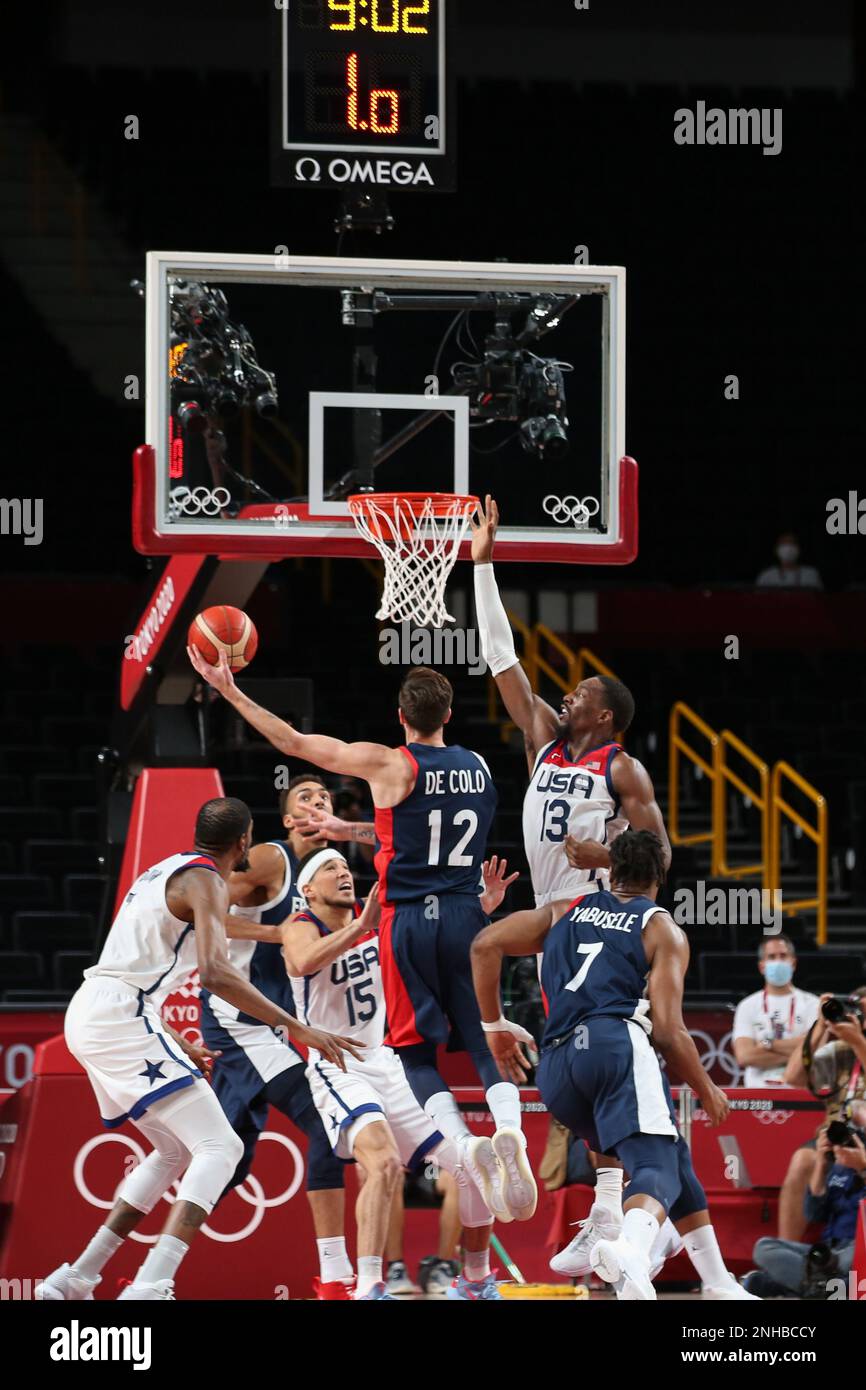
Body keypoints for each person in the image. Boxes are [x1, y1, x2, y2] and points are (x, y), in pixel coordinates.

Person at [188, 643, 534, 1295]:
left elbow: (292, 740)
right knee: (478, 1047)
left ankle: (454, 1235)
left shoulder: (385, 765)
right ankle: (494, 1145)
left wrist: (228, 690)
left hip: (409, 924)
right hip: (456, 920)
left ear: (398, 716)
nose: (342, 872)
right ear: (450, 713)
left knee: (421, 1061)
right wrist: (354, 833)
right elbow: (415, 832)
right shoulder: (483, 767)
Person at [39, 797, 358, 1302]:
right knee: (223, 1147)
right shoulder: (207, 879)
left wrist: (175, 1037)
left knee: (172, 1150)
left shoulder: (164, 868)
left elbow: (141, 963)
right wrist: (297, 1026)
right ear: (244, 842)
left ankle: (77, 1275)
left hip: (98, 1011)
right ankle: (151, 1283)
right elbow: (215, 971)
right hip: (123, 1013)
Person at [471, 494, 673, 1272]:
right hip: (551, 908)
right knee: (562, 1052)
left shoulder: (620, 766)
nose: (569, 693)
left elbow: (658, 852)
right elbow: (501, 660)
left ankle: (610, 1207)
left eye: (583, 691)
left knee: (583, 1046)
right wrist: (484, 564)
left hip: (591, 912)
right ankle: (601, 1209)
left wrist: (611, 861)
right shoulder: (545, 745)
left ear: (606, 715)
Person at [470, 829, 758, 1301]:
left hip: (557, 1067)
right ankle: (629, 1247)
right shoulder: (660, 926)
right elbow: (668, 1030)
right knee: (658, 1164)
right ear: (659, 875)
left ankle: (717, 1281)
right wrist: (707, 1086)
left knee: (672, 1156)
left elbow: (484, 945)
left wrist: (494, 1024)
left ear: (609, 869)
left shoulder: (568, 908)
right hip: (612, 1043)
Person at [282, 848, 503, 1300]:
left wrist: (478, 911)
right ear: (307, 890)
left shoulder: (382, 918)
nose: (343, 873)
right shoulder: (302, 925)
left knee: (473, 1163)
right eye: (330, 868)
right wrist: (362, 927)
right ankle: (369, 1286)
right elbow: (302, 963)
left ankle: (476, 1279)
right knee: (382, 1164)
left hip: (386, 1060)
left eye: (346, 867)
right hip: (337, 1065)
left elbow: (435, 942)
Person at [199, 774, 364, 1300]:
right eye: (306, 799)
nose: (319, 804)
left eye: (327, 799)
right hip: (236, 1019)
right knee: (324, 1122)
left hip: (275, 1026)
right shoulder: (272, 859)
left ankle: (141, 1260)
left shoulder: (331, 879)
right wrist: (279, 931)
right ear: (290, 820)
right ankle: (335, 1276)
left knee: (227, 1157)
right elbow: (204, 908)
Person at [744, 1104, 866, 1298]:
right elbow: (814, 1214)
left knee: (852, 1259)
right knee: (764, 1247)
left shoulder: (860, 1162)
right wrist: (821, 1163)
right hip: (827, 1253)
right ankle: (827, 1289)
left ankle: (794, 1286)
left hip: (857, 1250)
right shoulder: (838, 1166)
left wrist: (862, 1168)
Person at [776, 986, 866, 1241]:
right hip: (837, 1133)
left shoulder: (855, 1044)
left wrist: (859, 1042)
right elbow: (792, 1079)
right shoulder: (839, 1051)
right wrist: (819, 1028)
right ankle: (787, 1250)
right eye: (860, 1012)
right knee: (803, 1159)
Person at [731, 936, 819, 1087]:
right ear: (762, 966)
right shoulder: (747, 1006)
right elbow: (744, 1056)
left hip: (800, 1092)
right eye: (771, 957)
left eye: (783, 956)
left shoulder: (813, 1004)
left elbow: (814, 1049)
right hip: (758, 1096)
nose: (778, 961)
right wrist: (798, 1050)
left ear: (793, 963)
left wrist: (767, 1044)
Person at [756, 532, 823, 589]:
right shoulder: (766, 576)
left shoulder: (811, 575)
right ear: (776, 550)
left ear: (798, 549)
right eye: (784, 543)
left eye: (792, 543)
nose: (788, 548)